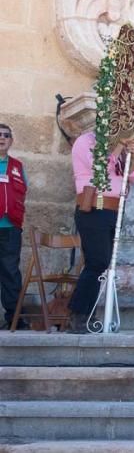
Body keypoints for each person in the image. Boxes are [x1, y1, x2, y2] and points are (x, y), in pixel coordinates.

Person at [65, 131, 134, 333]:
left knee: (102, 263)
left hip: (113, 210)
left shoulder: (119, 144)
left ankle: (84, 314)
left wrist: (132, 154)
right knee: (97, 261)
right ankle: (78, 314)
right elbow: (99, 169)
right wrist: (118, 146)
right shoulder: (86, 140)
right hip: (94, 208)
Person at [0, 123, 28, 330]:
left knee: (10, 273)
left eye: (6, 135)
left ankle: (14, 318)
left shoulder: (18, 166)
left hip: (10, 228)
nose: (2, 138)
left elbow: (22, 192)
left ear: (11, 141)